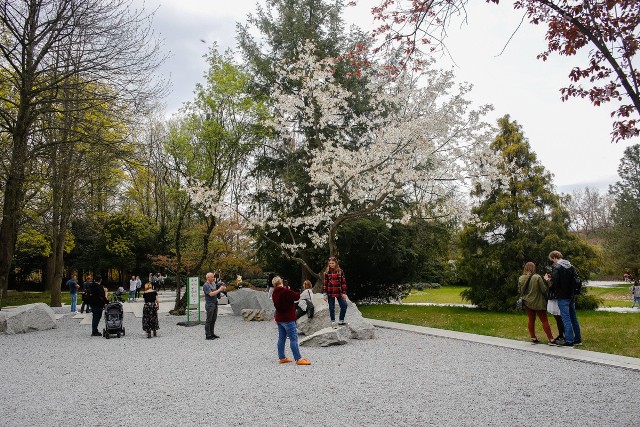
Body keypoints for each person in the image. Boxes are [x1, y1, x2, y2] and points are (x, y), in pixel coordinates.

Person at [271, 276, 311, 365]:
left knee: (281, 338)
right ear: (281, 282)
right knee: (293, 338)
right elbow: (297, 296)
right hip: (288, 318)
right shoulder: (285, 291)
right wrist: (289, 289)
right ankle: (298, 358)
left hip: (279, 318)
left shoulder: (274, 293)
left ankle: (282, 357)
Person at [546, 250, 582, 347]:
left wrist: (549, 280)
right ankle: (577, 339)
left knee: (566, 319)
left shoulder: (556, 267)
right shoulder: (570, 266)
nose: (552, 261)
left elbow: (554, 284)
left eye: (552, 259)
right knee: (574, 318)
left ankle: (569, 341)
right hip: (571, 295)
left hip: (562, 296)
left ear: (554, 257)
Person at [518, 262, 556, 345]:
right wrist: (548, 283)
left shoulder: (521, 278)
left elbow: (520, 291)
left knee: (531, 320)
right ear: (533, 268)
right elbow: (544, 290)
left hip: (527, 302)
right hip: (538, 302)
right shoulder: (537, 277)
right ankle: (551, 339)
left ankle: (533, 338)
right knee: (544, 320)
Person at [322, 256, 348, 327]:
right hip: (330, 292)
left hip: (339, 292)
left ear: (336, 263)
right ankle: (333, 321)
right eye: (330, 263)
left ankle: (341, 320)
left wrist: (344, 293)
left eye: (332, 263)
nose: (331, 265)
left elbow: (343, 283)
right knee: (331, 307)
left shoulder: (340, 271)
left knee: (344, 305)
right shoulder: (327, 272)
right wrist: (324, 294)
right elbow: (325, 283)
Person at [203, 272, 226, 340]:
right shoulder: (206, 285)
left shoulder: (213, 283)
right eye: (212, 277)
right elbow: (211, 294)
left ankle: (212, 333)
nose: (213, 278)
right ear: (208, 278)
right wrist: (219, 290)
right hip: (210, 304)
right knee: (209, 320)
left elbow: (216, 290)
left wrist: (222, 288)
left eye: (213, 277)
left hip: (215, 303)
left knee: (213, 319)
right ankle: (208, 335)